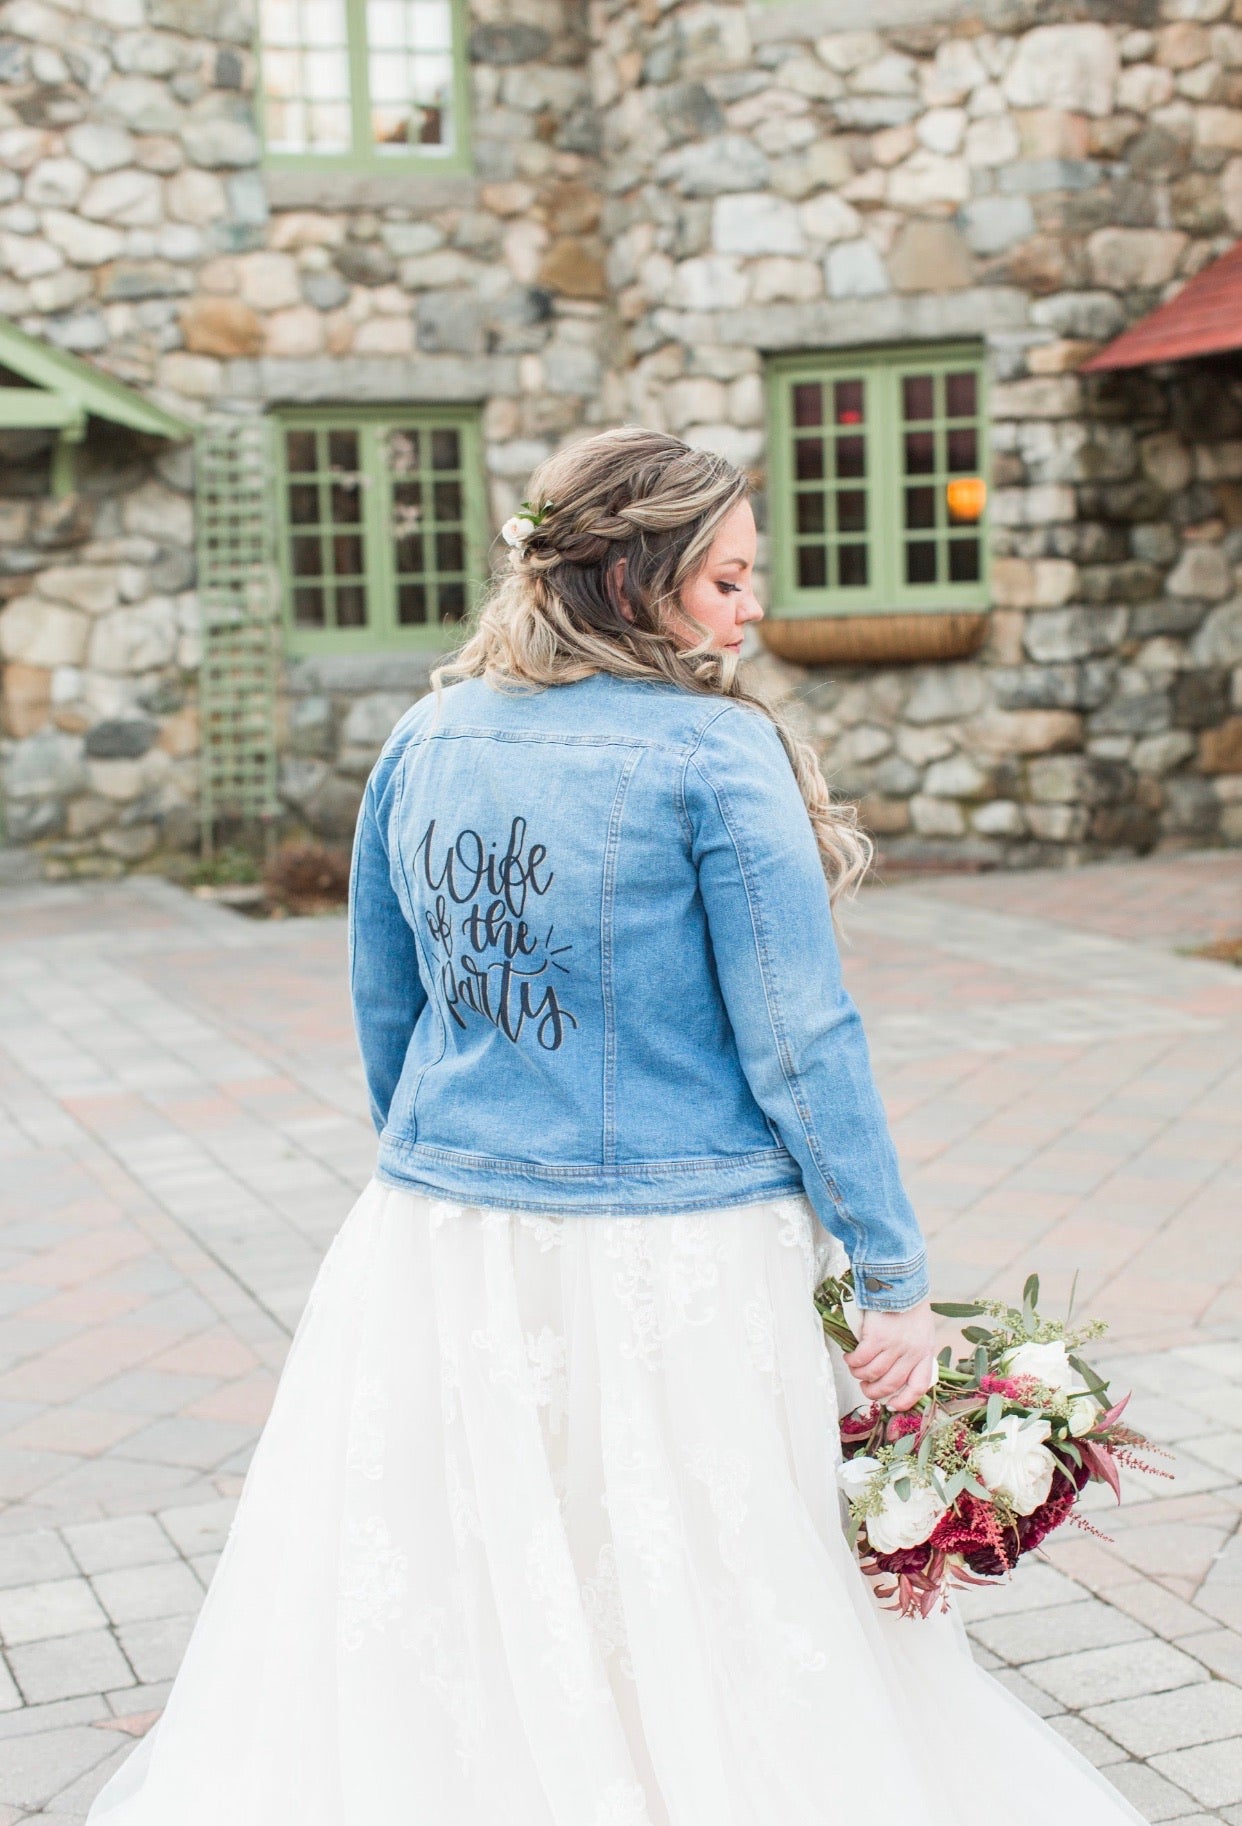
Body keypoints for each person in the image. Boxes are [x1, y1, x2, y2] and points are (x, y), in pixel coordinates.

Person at [86, 426, 1144, 1826]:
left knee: (476, 1561)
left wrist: (446, 1162)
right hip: (677, 1247)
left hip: (439, 1235)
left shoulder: (425, 734)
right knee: (692, 1570)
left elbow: (386, 1000)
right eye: (723, 579)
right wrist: (891, 1272)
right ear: (634, 580)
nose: (750, 607)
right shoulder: (712, 751)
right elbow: (799, 1038)